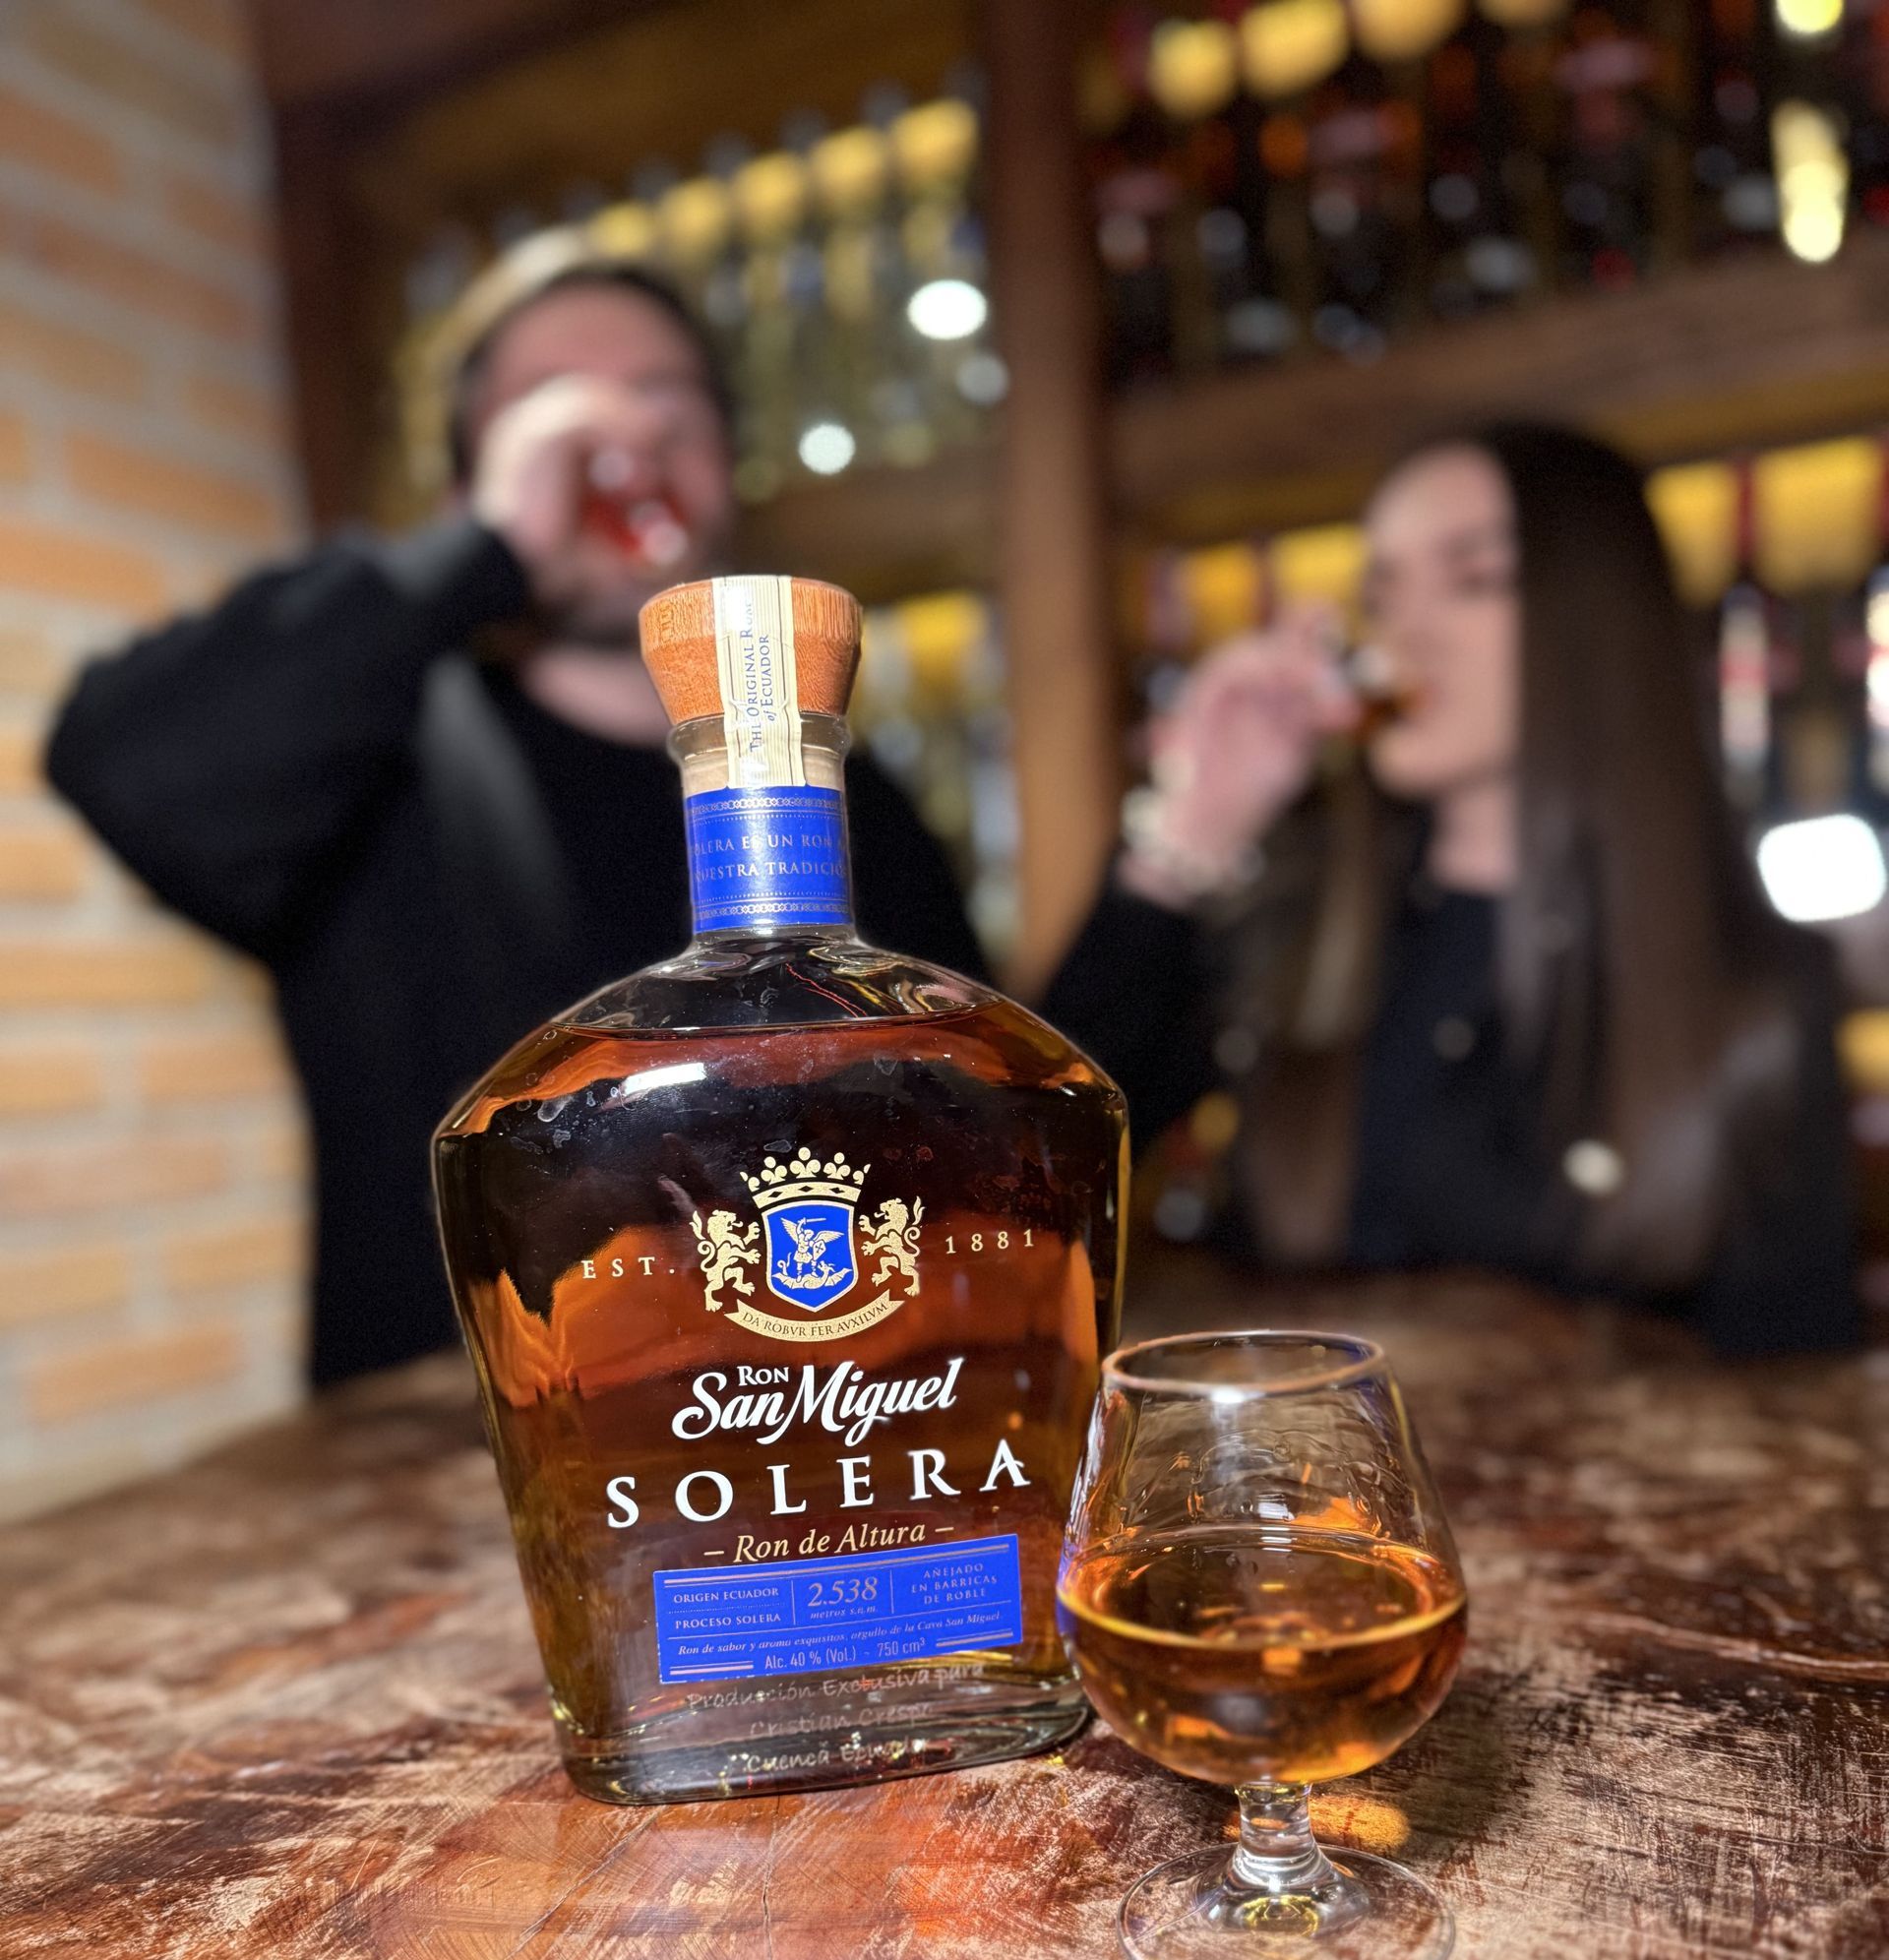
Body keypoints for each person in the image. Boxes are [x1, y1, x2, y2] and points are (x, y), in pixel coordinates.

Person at [45, 229, 985, 1386]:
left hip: (821, 1449)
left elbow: (1000, 1129)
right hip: (454, 1480)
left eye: (668, 411)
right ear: (468, 488)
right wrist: (490, 547)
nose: (623, 447)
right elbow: (129, 764)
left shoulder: (842, 795)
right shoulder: (382, 764)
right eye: (557, 411)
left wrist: (1180, 849)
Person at [1046, 421, 1858, 1354]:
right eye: (1381, 591)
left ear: (1603, 620)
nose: (1404, 632)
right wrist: (1193, 830)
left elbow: (1792, 1396)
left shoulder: (1753, 988)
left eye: (1475, 580)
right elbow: (1022, 1184)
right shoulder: (1291, 931)